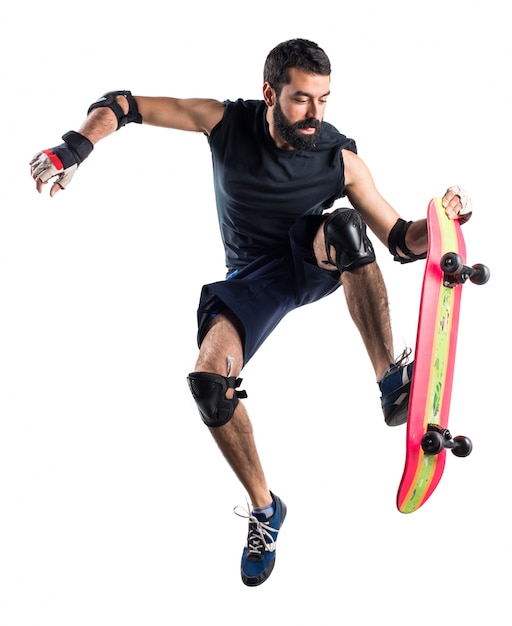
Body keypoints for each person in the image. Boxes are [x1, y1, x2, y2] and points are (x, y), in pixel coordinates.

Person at [30, 38, 471, 587]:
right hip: (250, 282)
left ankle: (390, 380)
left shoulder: (340, 159)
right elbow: (125, 104)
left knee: (345, 227)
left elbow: (400, 241)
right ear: (269, 93)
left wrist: (441, 223)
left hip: (310, 260)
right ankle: (266, 509)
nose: (315, 115)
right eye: (301, 100)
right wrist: (74, 147)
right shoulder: (225, 123)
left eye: (324, 100)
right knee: (207, 382)